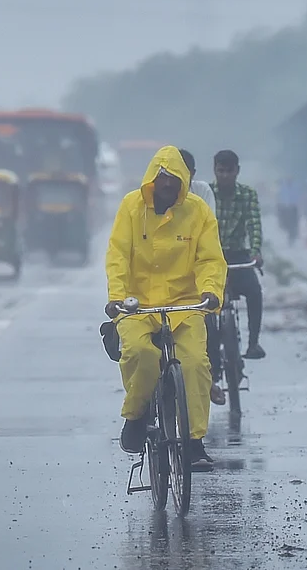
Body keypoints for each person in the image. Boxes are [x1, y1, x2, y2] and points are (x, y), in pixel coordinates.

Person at [105, 146, 226, 471]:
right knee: (141, 355)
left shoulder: (198, 211)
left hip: (184, 306)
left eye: (175, 185)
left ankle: (194, 444)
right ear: (152, 182)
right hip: (137, 305)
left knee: (196, 365)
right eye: (163, 184)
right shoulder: (131, 207)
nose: (168, 191)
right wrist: (117, 296)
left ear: (183, 185)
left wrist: (211, 292)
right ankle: (136, 415)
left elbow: (210, 259)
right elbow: (118, 255)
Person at [178, 148, 229, 405]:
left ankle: (213, 379)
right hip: (163, 280)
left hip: (196, 274)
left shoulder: (202, 195)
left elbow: (208, 235)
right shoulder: (149, 199)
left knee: (210, 324)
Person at [211, 149, 266, 360]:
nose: (225, 175)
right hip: (210, 258)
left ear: (237, 171)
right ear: (215, 171)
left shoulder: (247, 195)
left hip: (237, 256)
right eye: (221, 171)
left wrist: (255, 252)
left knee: (254, 292)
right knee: (201, 302)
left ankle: (253, 343)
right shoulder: (205, 194)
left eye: (229, 171)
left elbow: (254, 225)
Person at [276, 178, 300, 245]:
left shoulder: (295, 188)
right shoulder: (283, 189)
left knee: (293, 224)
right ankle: (291, 236)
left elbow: (297, 198)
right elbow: (280, 199)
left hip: (293, 208)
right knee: (285, 224)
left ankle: (292, 237)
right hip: (285, 209)